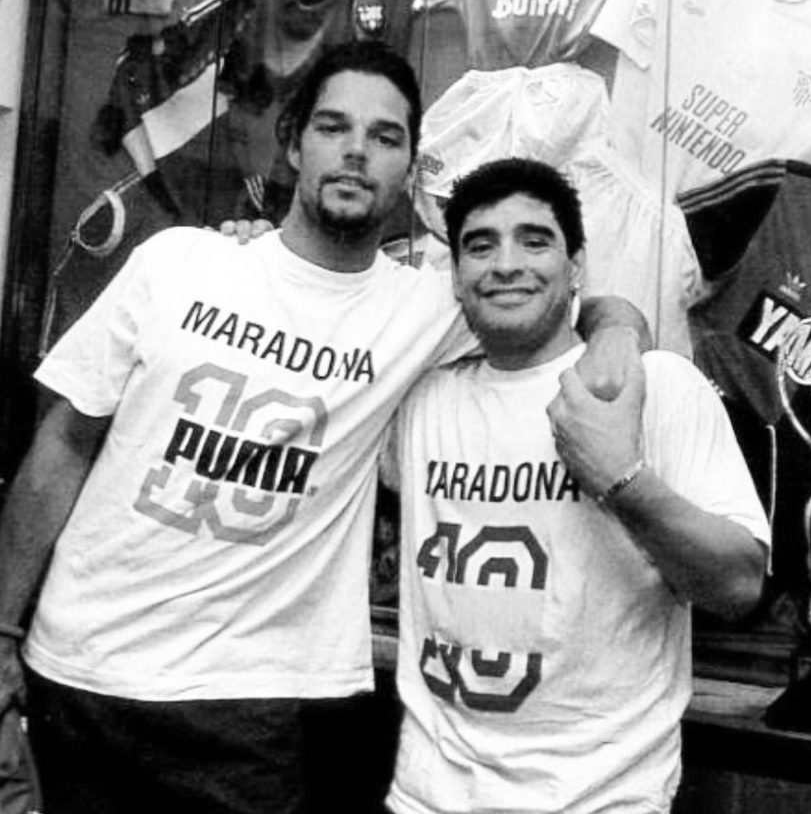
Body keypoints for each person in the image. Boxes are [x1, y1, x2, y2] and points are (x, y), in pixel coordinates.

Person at [0, 43, 644, 814]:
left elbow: (549, 297)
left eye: (385, 136)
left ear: (411, 167)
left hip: (251, 703)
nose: (356, 151)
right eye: (334, 127)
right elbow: (64, 444)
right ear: (293, 144)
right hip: (75, 676)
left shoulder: (425, 308)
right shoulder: (178, 262)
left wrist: (616, 327)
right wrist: (2, 631)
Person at [382, 157, 770, 814]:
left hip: (597, 799)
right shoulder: (419, 398)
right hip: (426, 796)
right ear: (456, 274)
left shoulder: (653, 387)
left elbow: (738, 586)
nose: (507, 264)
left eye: (535, 241)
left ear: (576, 265)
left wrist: (623, 483)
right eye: (481, 245)